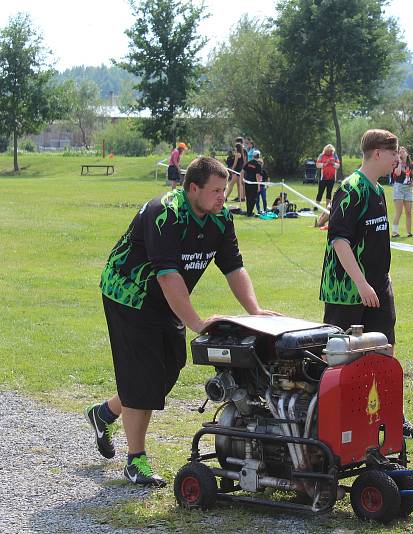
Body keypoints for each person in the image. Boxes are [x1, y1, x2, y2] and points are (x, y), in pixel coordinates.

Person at [85, 156, 280, 487]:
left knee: (170, 366)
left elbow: (233, 267)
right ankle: (136, 461)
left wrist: (255, 310)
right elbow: (167, 275)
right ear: (193, 189)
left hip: (165, 300)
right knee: (143, 374)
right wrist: (198, 322)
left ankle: (104, 413)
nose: (223, 197)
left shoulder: (220, 219)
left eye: (225, 189)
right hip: (129, 295)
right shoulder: (166, 212)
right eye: (216, 191)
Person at [319, 128, 413, 441]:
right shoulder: (351, 188)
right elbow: (340, 241)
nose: (398, 158)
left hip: (378, 285)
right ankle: (330, 419)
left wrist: (380, 281)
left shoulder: (377, 190)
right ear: (378, 153)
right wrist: (361, 283)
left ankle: (391, 417)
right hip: (347, 291)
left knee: (385, 348)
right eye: (394, 153)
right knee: (340, 355)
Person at [390, 146, 413, 238]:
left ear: (407, 153)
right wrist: (400, 163)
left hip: (408, 188)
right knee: (399, 211)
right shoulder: (396, 163)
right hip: (399, 188)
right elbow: (397, 173)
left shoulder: (411, 164)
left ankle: (409, 232)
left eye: (403, 151)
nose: (401, 153)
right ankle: (394, 232)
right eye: (400, 152)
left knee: (408, 212)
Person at [242, 149, 266, 217]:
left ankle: (248, 212)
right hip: (254, 184)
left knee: (248, 197)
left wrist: (242, 180)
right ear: (259, 156)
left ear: (253, 156)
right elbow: (257, 175)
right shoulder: (258, 165)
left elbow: (242, 172)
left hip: (247, 182)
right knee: (253, 198)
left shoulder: (248, 163)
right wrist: (258, 186)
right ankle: (249, 213)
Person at [225, 137, 246, 202]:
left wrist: (231, 170)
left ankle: (225, 197)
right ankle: (240, 198)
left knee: (231, 184)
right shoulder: (242, 154)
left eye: (235, 147)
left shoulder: (237, 154)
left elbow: (235, 163)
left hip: (236, 171)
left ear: (237, 148)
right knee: (238, 185)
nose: (234, 148)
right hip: (240, 171)